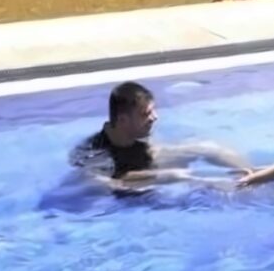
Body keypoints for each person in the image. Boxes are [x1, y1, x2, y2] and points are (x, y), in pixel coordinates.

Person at [70, 81, 248, 190]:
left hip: (144, 165)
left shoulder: (135, 134)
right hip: (129, 196)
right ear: (123, 120)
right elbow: (110, 184)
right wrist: (163, 176)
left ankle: (250, 175)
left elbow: (155, 152)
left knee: (207, 148)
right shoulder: (95, 153)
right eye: (146, 114)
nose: (154, 117)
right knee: (180, 177)